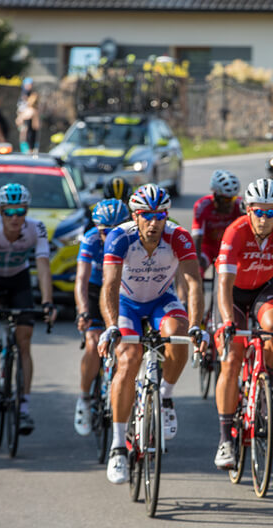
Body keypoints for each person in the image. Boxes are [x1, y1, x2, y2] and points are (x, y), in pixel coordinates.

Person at [97, 184, 204, 484]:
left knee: (178, 334)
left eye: (160, 216)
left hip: (160, 299)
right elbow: (109, 286)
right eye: (146, 216)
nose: (153, 223)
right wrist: (111, 327)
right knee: (129, 359)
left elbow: (193, 283)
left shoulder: (178, 237)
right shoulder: (120, 237)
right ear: (135, 216)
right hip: (127, 304)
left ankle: (166, 398)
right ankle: (118, 446)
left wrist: (197, 325)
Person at [212, 178, 273, 469]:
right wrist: (226, 322)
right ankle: (225, 440)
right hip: (233, 294)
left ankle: (268, 382)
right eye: (258, 212)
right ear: (247, 211)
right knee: (232, 358)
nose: (263, 218)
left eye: (270, 213)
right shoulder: (235, 232)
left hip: (264, 290)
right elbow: (223, 284)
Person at [0, 183, 57, 436]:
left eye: (20, 212)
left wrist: (48, 302)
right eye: (9, 212)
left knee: (25, 341)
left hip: (19, 279)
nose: (15, 218)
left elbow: (42, 266)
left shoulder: (36, 228)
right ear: (0, 212)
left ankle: (23, 409)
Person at [74, 199, 130, 436]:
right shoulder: (90, 239)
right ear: (98, 229)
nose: (112, 236)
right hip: (98, 289)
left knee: (129, 347)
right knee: (92, 343)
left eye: (118, 230)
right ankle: (85, 398)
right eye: (106, 232)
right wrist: (84, 311)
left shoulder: (132, 239)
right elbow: (81, 280)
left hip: (125, 289)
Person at [191, 169, 243, 276]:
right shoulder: (202, 206)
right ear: (216, 196)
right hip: (208, 247)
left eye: (233, 198)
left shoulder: (240, 205)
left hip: (231, 247)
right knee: (196, 270)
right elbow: (197, 236)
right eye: (226, 200)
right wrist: (197, 260)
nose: (231, 204)